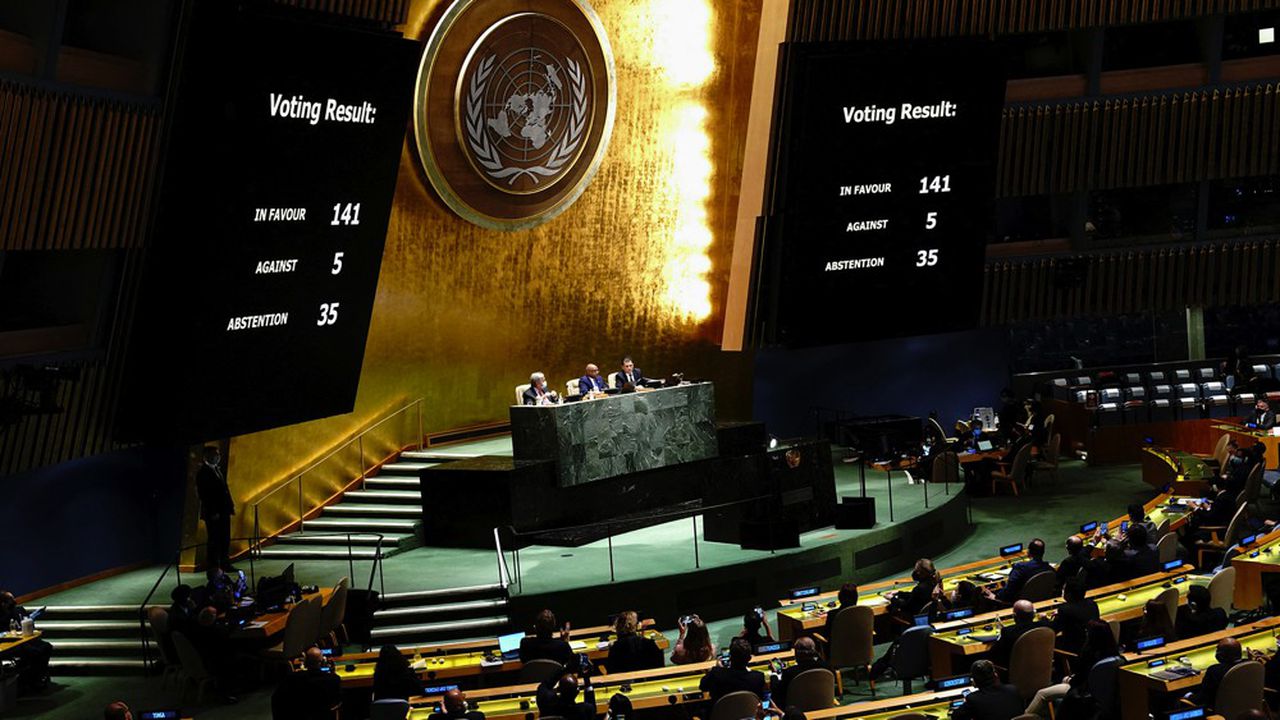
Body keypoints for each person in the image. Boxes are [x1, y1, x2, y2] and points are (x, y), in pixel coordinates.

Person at [1024, 619, 1120, 718]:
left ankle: (1023, 717)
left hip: (1086, 692)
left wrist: (1069, 680)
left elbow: (1079, 680)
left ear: (1092, 636)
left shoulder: (1089, 654)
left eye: (1087, 632)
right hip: (1105, 693)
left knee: (1042, 694)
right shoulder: (1115, 655)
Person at [0, 590, 52, 693]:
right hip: (11, 644)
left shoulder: (18, 610)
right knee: (34, 652)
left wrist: (32, 618)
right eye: (10, 600)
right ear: (3, 603)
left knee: (46, 646)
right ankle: (31, 680)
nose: (14, 602)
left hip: (25, 640)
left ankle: (39, 675)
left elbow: (25, 623)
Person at [271, 647, 342, 720]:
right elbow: (337, 701)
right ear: (323, 662)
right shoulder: (334, 679)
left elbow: (276, 698)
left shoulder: (292, 678)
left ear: (305, 662)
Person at [196, 445, 235, 573]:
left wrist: (230, 507)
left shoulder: (217, 470)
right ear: (206, 457)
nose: (217, 457)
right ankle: (213, 566)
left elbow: (224, 490)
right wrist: (213, 512)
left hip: (224, 511)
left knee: (225, 538)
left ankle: (225, 564)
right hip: (214, 513)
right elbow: (205, 495)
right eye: (214, 454)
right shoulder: (203, 473)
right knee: (214, 539)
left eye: (218, 454)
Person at [699, 638, 765, 706]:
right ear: (749, 658)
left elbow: (702, 686)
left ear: (730, 657)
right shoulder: (758, 677)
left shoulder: (716, 674)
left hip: (721, 715)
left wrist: (718, 669)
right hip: (749, 715)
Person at [950, 659, 1024, 720]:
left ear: (974, 681)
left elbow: (955, 717)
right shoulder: (1013, 690)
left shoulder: (973, 699)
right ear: (996, 675)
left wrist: (965, 703)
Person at [771, 637, 829, 709]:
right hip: (822, 704)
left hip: (797, 709)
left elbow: (777, 692)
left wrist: (774, 674)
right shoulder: (826, 667)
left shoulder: (789, 672)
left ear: (796, 653)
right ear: (814, 651)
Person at [992, 600, 1052, 667]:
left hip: (1015, 671)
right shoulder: (1045, 626)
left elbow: (994, 653)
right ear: (1033, 615)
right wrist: (1045, 619)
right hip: (1043, 669)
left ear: (1014, 616)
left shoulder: (1008, 632)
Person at [990, 538, 1051, 603]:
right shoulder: (1049, 568)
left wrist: (996, 597)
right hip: (1042, 600)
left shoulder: (1020, 567)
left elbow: (1010, 588)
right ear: (1043, 552)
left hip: (1020, 603)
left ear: (1029, 552)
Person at [1190, 638, 1245, 710]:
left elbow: (1204, 698)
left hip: (1220, 711)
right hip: (1246, 707)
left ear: (1221, 655)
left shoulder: (1214, 671)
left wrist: (1188, 696)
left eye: (1218, 650)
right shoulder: (1252, 664)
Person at [1051, 576, 1099, 656]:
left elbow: (1054, 629)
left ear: (1068, 594)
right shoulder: (1092, 604)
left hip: (1072, 651)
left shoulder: (1064, 609)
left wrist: (1045, 619)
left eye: (1063, 589)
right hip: (1092, 648)